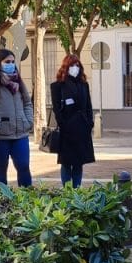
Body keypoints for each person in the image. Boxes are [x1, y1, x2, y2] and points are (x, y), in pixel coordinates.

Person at [0, 49, 33, 187]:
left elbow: (28, 102)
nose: (11, 64)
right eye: (7, 62)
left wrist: (28, 121)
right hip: (0, 136)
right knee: (0, 168)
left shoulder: (19, 81)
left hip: (20, 133)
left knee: (24, 167)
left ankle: (27, 198)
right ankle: (2, 199)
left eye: (12, 62)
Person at [50, 54, 95, 187]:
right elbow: (56, 108)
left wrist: (89, 123)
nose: (75, 68)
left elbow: (88, 106)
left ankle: (77, 189)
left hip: (82, 129)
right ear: (66, 67)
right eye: (72, 65)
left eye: (77, 65)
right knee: (66, 162)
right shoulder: (58, 86)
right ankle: (67, 190)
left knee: (79, 162)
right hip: (67, 130)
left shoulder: (83, 85)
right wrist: (63, 124)